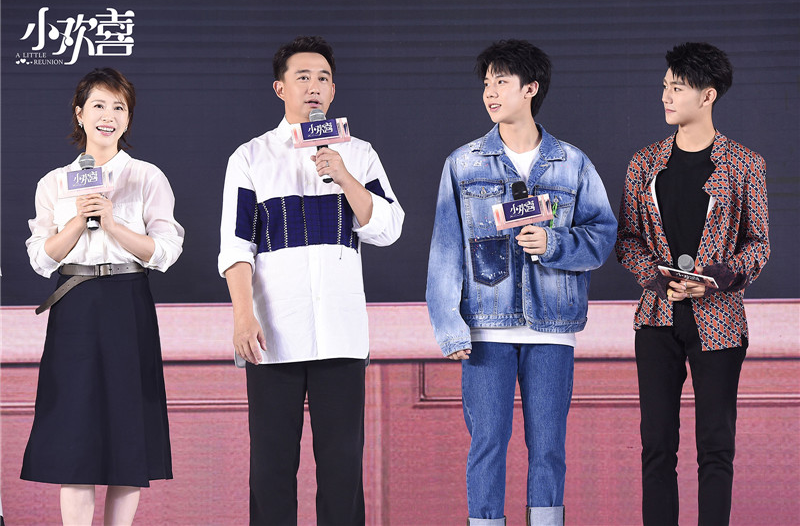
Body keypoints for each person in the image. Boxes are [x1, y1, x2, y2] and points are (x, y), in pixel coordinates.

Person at [426, 39, 617, 526]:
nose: (490, 92)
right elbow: (446, 249)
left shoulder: (572, 163)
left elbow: (603, 236)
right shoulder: (463, 163)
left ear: (530, 89)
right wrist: (448, 325)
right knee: (487, 443)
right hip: (485, 327)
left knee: (549, 446)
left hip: (553, 328)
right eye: (486, 83)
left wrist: (553, 243)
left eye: (502, 82)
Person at [218, 35, 404, 525]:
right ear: (280, 88)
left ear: (334, 90)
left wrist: (344, 176)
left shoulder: (358, 154)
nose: (314, 86)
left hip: (341, 336)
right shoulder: (250, 157)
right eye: (303, 77)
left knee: (342, 471)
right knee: (271, 470)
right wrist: (243, 317)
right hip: (274, 335)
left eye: (323, 78)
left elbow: (388, 228)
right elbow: (236, 247)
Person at [615, 42, 770, 525]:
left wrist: (717, 280)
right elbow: (627, 240)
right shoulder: (644, 163)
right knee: (657, 446)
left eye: (677, 88)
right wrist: (656, 279)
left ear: (707, 95)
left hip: (719, 322)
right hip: (657, 320)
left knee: (716, 447)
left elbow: (759, 244)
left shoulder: (745, 163)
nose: (665, 96)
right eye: (665, 86)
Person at [22, 67, 184, 525]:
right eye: (98, 105)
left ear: (128, 119)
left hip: (127, 302)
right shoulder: (54, 183)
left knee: (127, 433)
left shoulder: (147, 176)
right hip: (74, 306)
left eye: (119, 107)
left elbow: (166, 251)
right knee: (75, 434)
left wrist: (113, 224)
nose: (108, 116)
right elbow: (40, 258)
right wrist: (79, 221)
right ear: (80, 114)